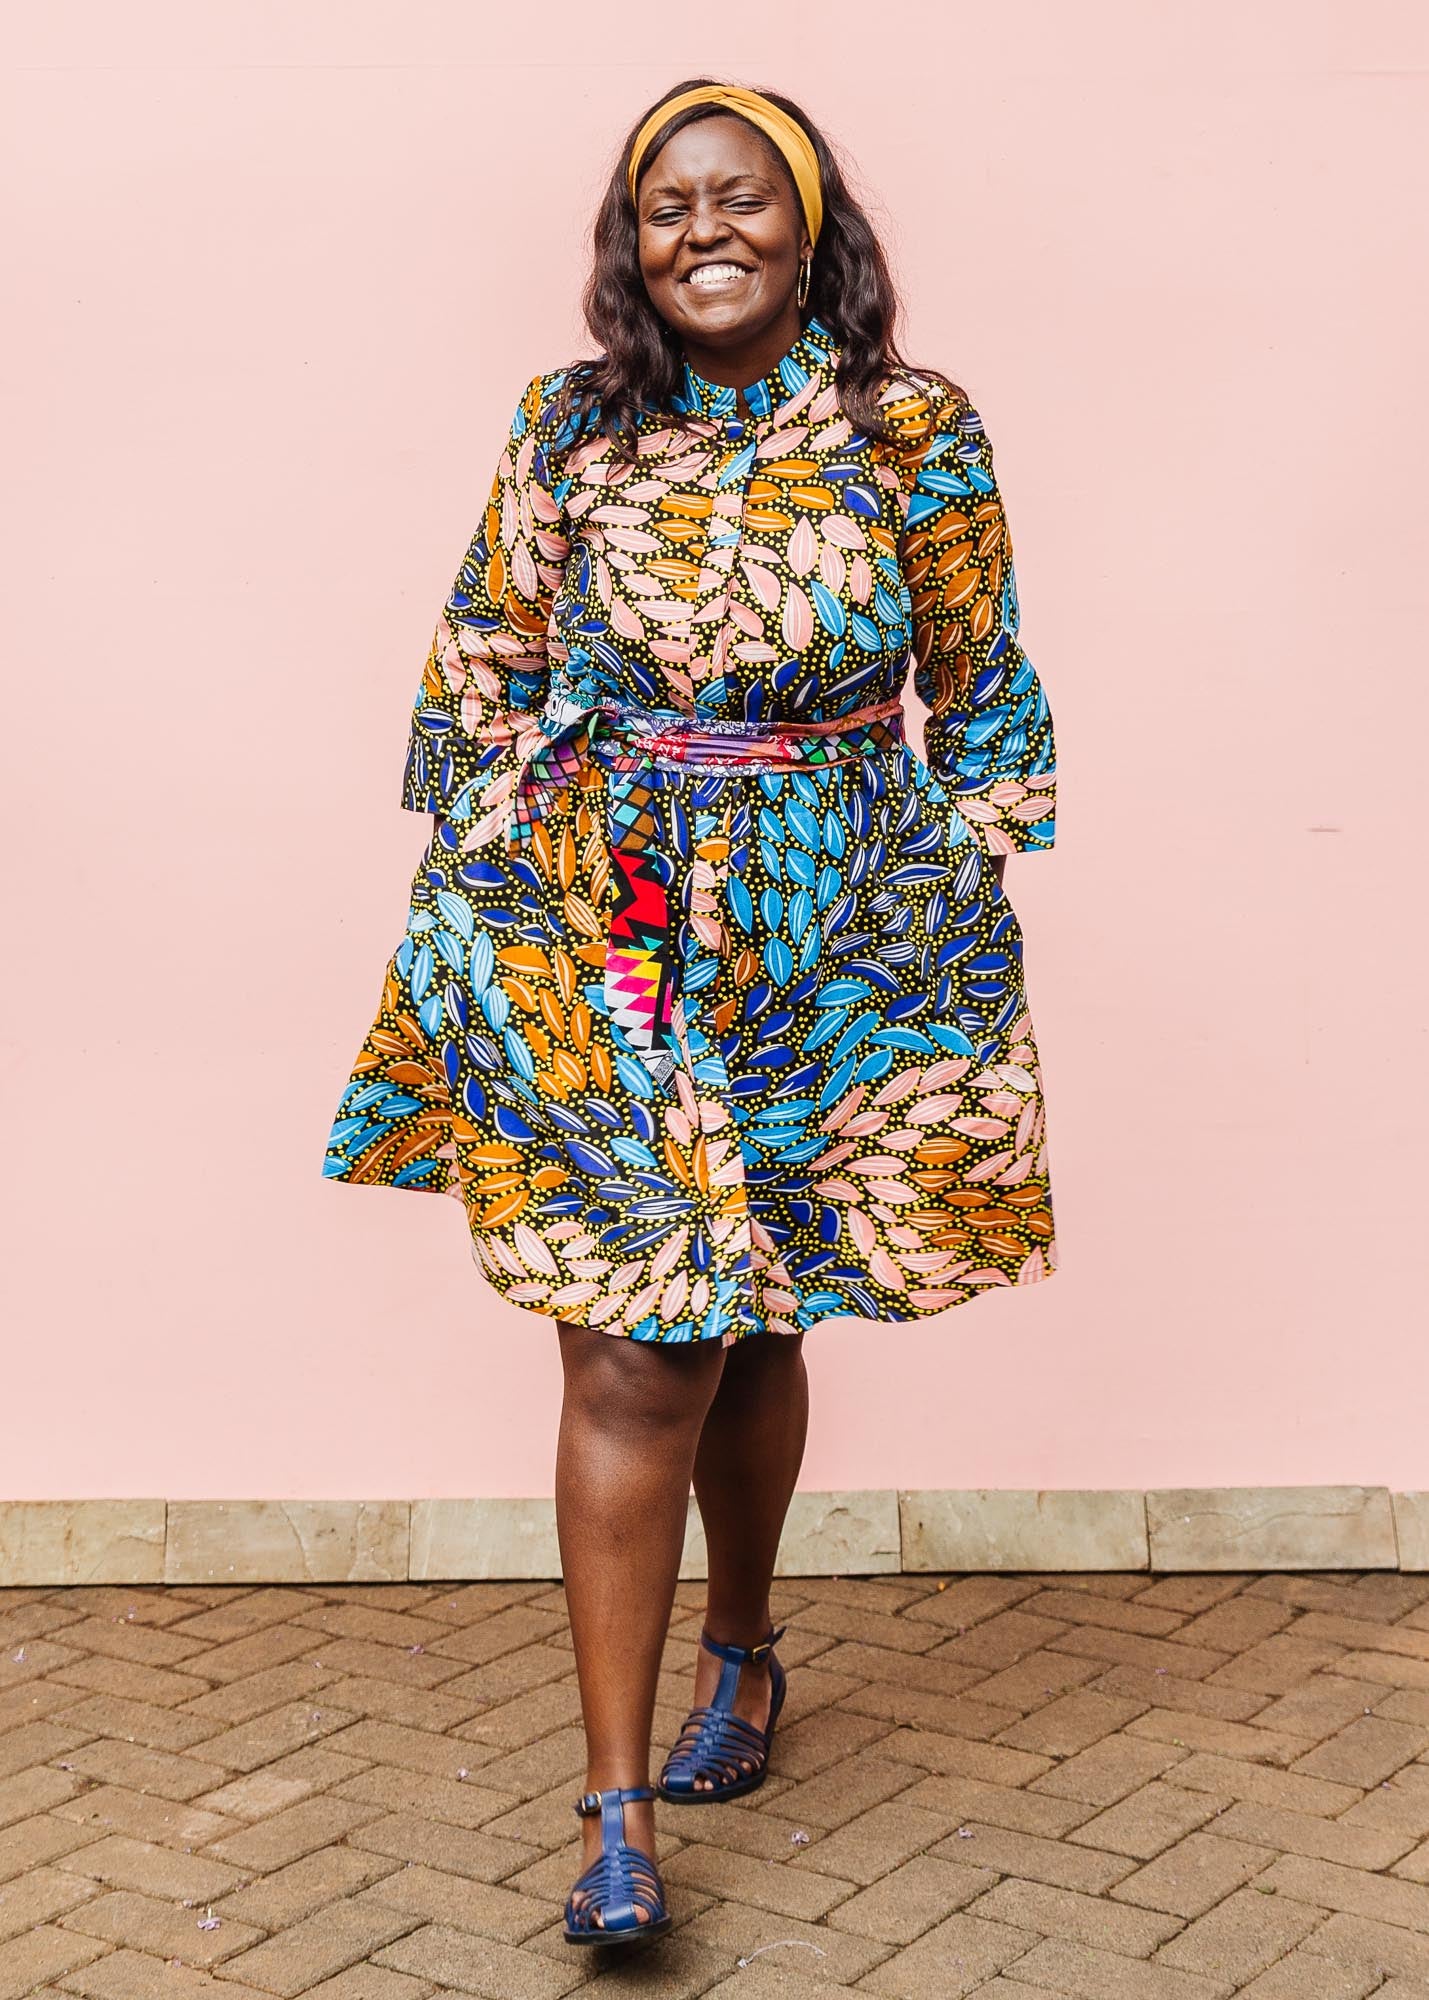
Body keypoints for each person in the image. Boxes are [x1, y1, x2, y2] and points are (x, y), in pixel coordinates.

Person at [322, 76, 1058, 1947]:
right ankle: (620, 1813)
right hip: (611, 916)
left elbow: (975, 676)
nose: (703, 229)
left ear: (811, 227)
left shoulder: (912, 427)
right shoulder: (566, 424)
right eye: (667, 206)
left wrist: (963, 880)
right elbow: (482, 653)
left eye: (741, 197)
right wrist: (491, 880)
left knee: (763, 1310)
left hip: (837, 917)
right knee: (634, 1341)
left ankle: (746, 1650)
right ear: (629, 244)